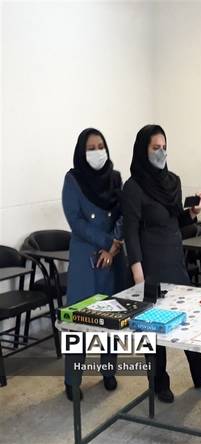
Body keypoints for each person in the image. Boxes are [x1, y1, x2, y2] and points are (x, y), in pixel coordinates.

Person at [122, 124, 201, 403]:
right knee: (153, 326)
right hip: (150, 263)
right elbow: (130, 232)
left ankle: (200, 370)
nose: (161, 152)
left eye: (164, 147)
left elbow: (174, 220)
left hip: (174, 259)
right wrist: (137, 272)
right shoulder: (133, 187)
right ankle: (159, 382)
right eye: (155, 147)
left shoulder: (173, 181)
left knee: (188, 318)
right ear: (142, 150)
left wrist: (192, 213)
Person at [61, 128, 126, 401]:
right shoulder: (73, 180)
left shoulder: (115, 178)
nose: (98, 152)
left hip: (112, 258)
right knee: (79, 321)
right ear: (81, 151)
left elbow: (123, 213)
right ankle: (72, 380)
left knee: (111, 317)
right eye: (91, 148)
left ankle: (108, 371)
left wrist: (114, 245)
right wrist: (106, 243)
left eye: (101, 146)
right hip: (86, 259)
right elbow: (75, 221)